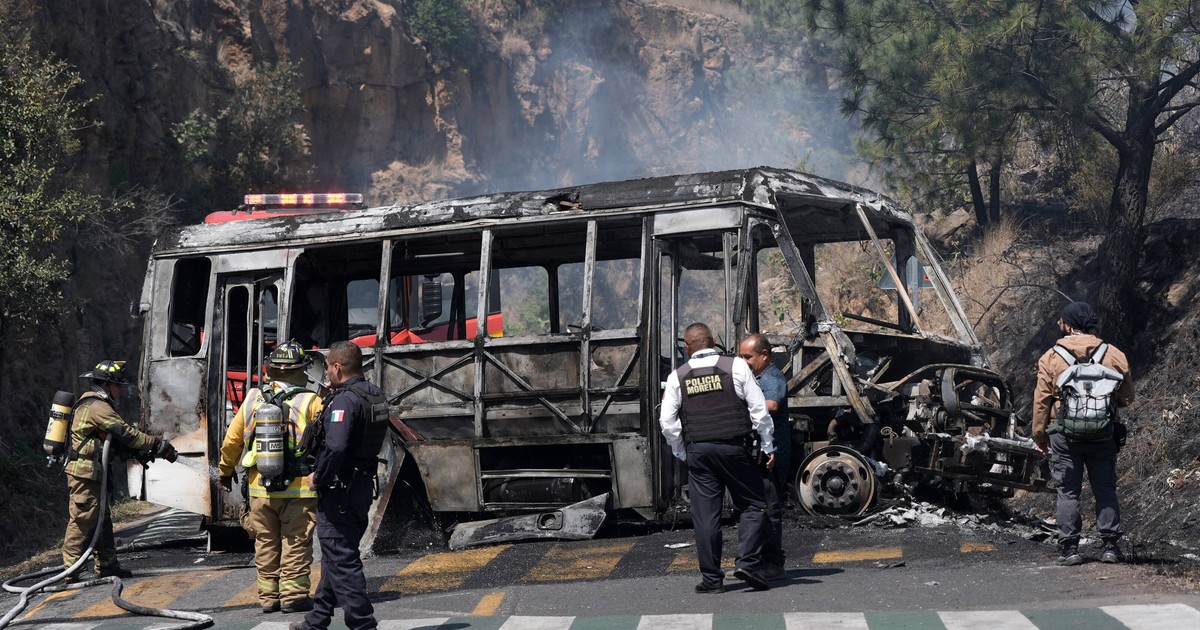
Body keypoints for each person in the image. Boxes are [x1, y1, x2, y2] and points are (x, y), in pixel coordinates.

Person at [659, 323, 775, 594]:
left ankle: (712, 581)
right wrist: (768, 446)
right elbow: (759, 411)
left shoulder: (678, 376)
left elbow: (667, 422)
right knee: (754, 504)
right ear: (713, 341)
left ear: (687, 348)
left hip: (699, 452)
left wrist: (681, 452)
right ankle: (747, 562)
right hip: (735, 448)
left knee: (706, 517)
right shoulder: (736, 366)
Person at [219, 341, 324, 614]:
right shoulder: (312, 401)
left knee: (265, 542)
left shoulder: (253, 398)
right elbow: (326, 442)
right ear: (302, 369)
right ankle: (294, 596)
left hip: (259, 488)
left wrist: (225, 471)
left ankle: (268, 598)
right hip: (299, 489)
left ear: (270, 370)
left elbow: (232, 441)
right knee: (296, 541)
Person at [292, 341, 389, 630]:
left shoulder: (344, 400)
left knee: (342, 557)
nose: (326, 375)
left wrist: (318, 477)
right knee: (338, 553)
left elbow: (335, 447)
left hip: (339, 492)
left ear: (337, 367)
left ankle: (363, 624)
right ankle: (317, 620)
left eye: (327, 369)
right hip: (359, 488)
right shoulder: (374, 394)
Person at [1031, 301, 1134, 566]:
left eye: (1061, 321)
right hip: (1103, 435)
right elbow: (1127, 398)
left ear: (1068, 324)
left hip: (1064, 436)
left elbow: (1042, 400)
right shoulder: (1114, 354)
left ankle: (1070, 549)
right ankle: (1111, 547)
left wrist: (1040, 436)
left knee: (1068, 492)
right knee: (1105, 489)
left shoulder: (1051, 357)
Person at [62, 360, 177, 581]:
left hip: (95, 472)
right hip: (84, 473)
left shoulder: (98, 404)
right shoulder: (96, 406)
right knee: (83, 517)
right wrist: (157, 445)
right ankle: (70, 569)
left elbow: (115, 440)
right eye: (118, 386)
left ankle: (107, 565)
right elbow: (126, 433)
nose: (120, 390)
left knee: (102, 518)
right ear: (106, 385)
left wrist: (134, 452)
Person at [738, 334, 790, 580]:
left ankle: (774, 564)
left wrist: (740, 404)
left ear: (764, 355)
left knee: (770, 510)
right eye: (741, 356)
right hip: (759, 452)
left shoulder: (772, 377)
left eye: (747, 356)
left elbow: (772, 405)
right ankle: (755, 562)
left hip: (773, 453)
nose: (743, 361)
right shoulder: (754, 377)